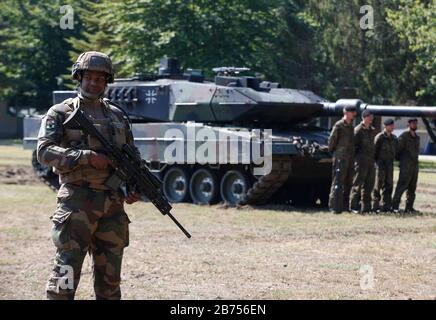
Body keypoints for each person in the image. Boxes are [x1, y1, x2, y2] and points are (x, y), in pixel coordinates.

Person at [37, 51, 141, 300]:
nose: (94, 83)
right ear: (79, 78)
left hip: (112, 206)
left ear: (107, 81)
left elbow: (132, 157)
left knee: (110, 281)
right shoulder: (60, 112)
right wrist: (85, 157)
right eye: (89, 78)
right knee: (65, 275)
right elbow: (44, 152)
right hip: (76, 203)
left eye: (100, 78)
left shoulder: (117, 115)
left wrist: (134, 186)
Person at [328, 105, 357, 213]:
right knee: (337, 182)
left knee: (348, 182)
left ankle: (345, 206)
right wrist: (334, 152)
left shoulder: (351, 127)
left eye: (354, 112)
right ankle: (334, 206)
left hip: (349, 157)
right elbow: (332, 140)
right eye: (352, 112)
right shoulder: (339, 125)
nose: (354, 114)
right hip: (340, 157)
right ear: (346, 112)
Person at [350, 110, 376, 213]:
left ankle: (366, 207)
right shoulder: (358, 130)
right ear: (364, 117)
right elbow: (353, 147)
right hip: (360, 161)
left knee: (369, 185)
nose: (371, 119)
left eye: (372, 117)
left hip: (370, 161)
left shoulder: (371, 130)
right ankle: (353, 206)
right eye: (370, 117)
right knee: (357, 184)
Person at [392, 118, 420, 213]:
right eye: (413, 123)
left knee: (412, 188)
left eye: (416, 123)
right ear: (409, 124)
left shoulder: (417, 137)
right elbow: (397, 150)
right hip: (406, 166)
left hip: (414, 166)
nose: (415, 125)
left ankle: (409, 207)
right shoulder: (404, 136)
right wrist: (403, 161)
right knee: (401, 186)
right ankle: (395, 206)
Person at [372, 118, 397, 213]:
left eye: (392, 125)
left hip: (389, 165)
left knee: (389, 185)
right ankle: (375, 205)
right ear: (385, 126)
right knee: (377, 185)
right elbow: (374, 151)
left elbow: (396, 151)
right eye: (390, 125)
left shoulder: (394, 138)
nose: (392, 127)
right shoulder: (379, 137)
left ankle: (386, 206)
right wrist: (376, 163)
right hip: (380, 165)